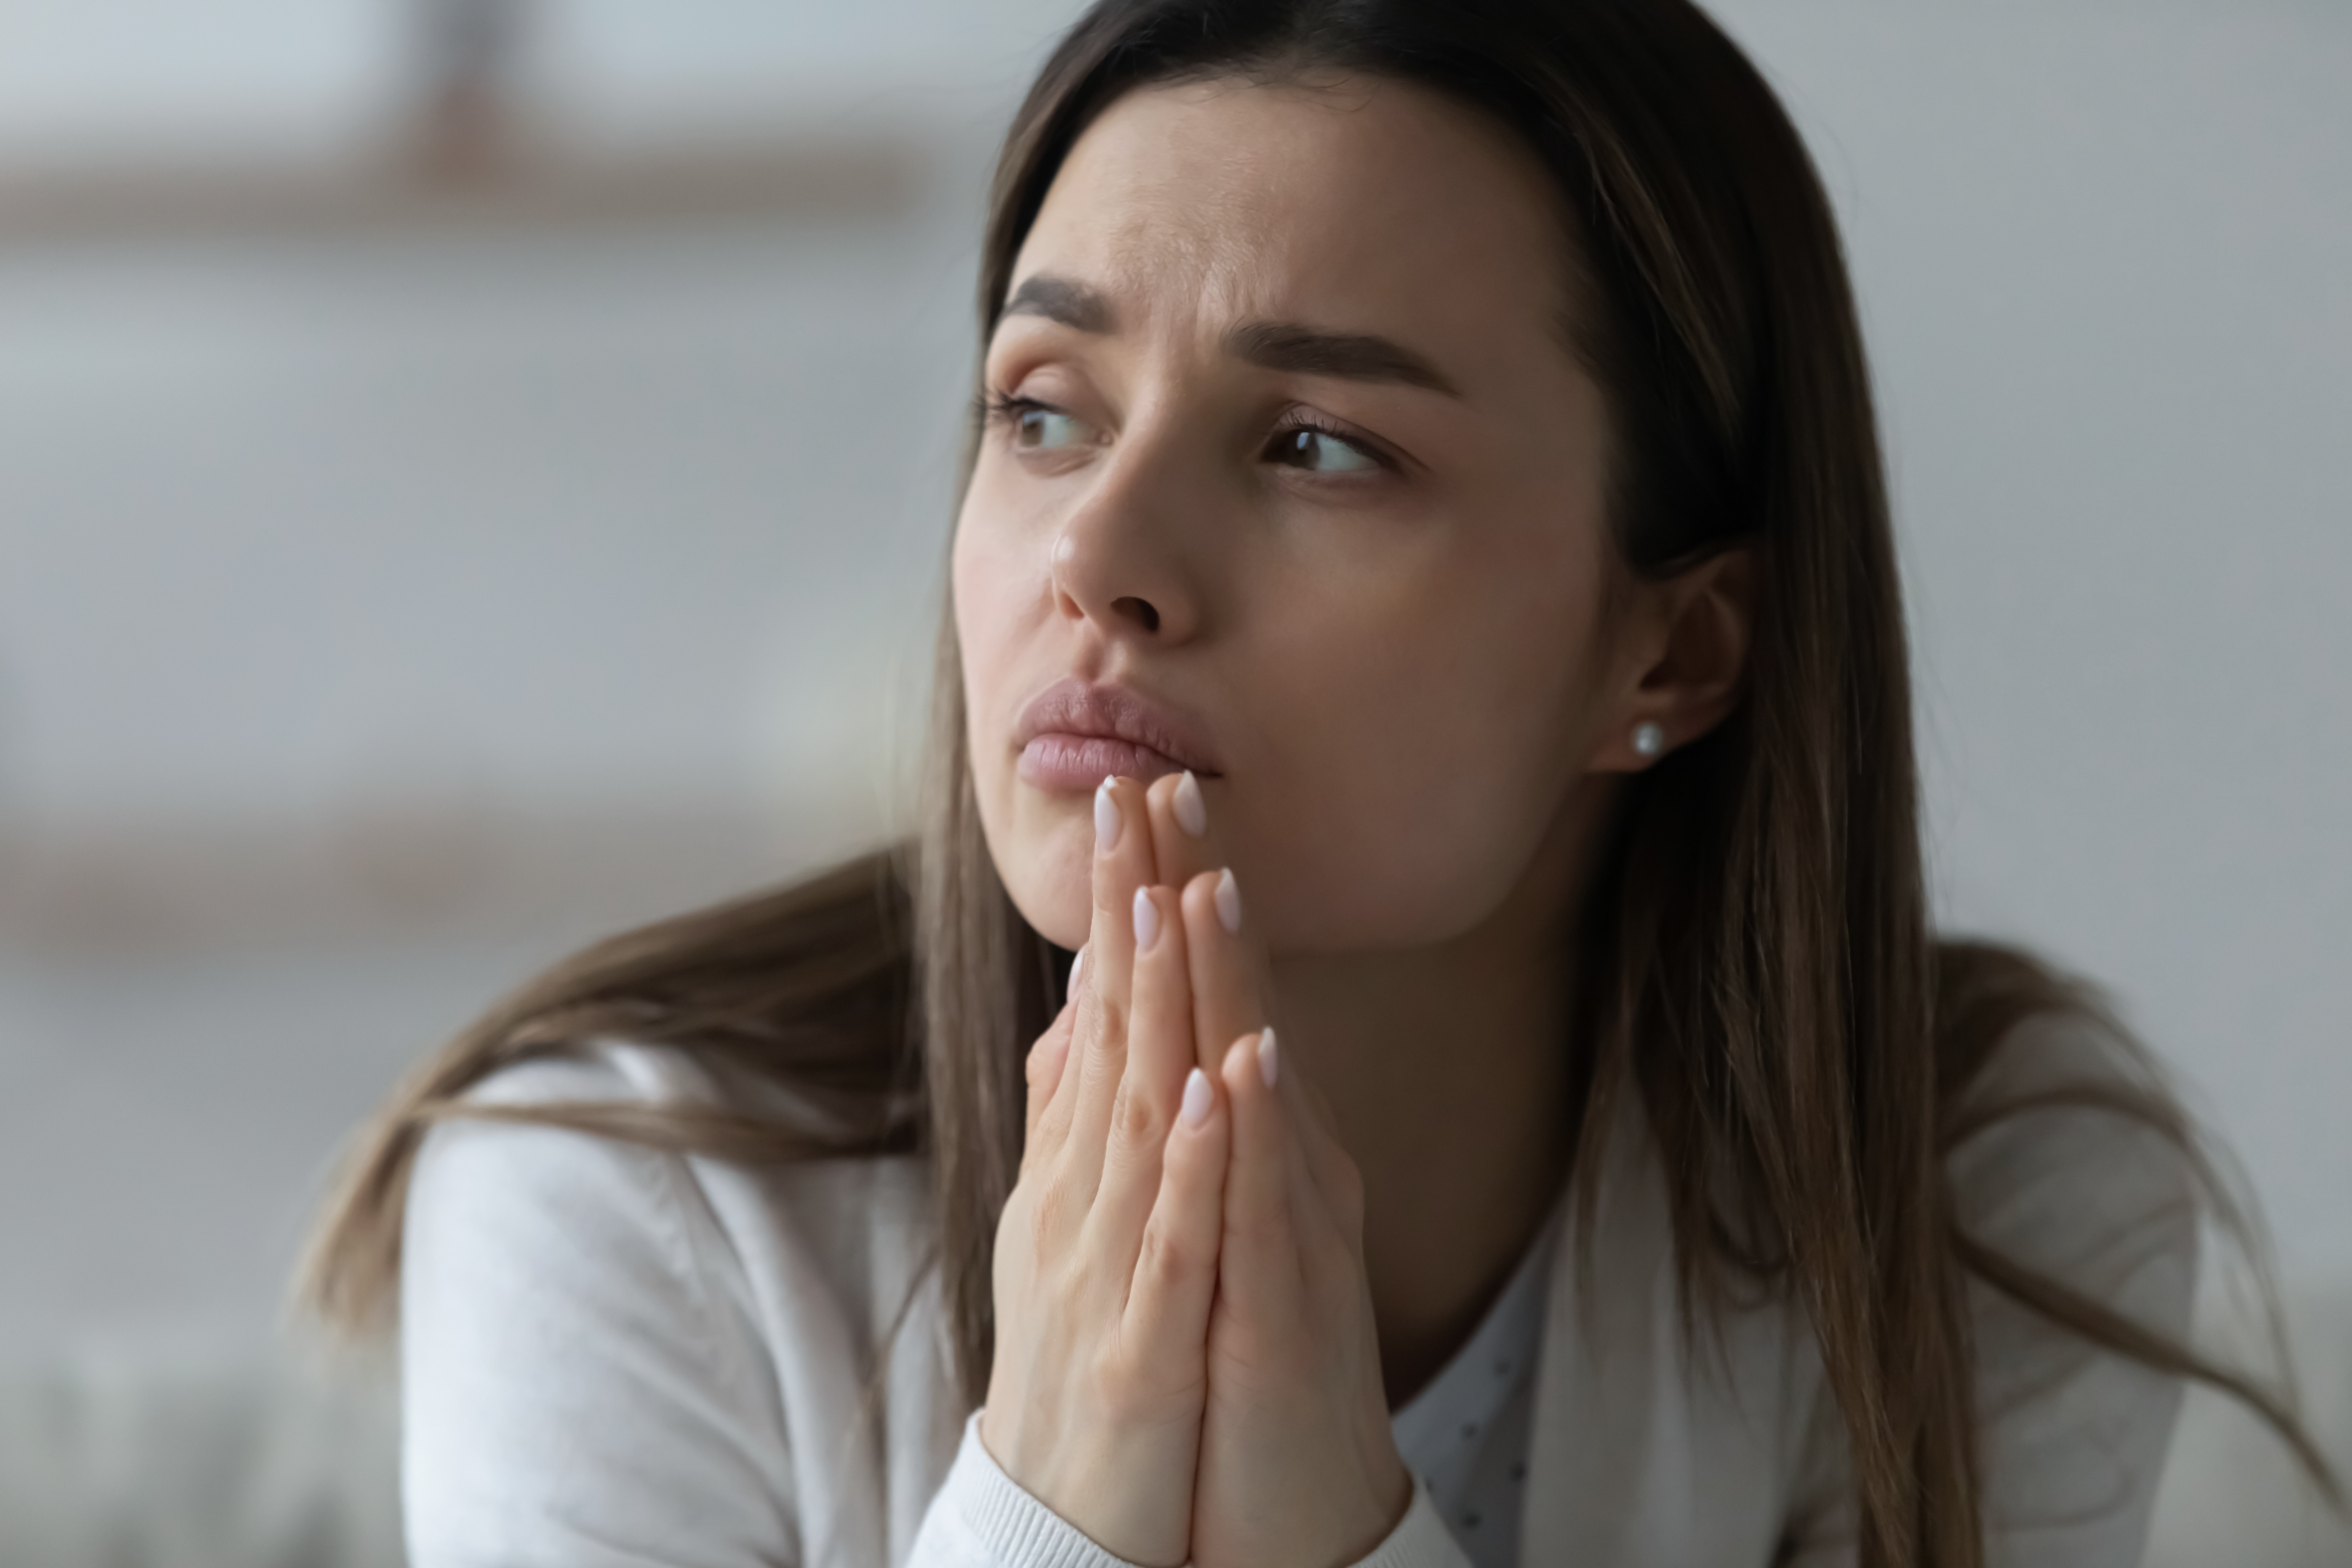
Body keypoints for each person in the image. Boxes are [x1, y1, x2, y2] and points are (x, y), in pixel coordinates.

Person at [299, 2, 2335, 1565]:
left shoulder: (1972, 1182)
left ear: (1673, 648)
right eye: (1040, 410)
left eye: (1316, 449)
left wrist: (1328, 1526)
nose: (1099, 555)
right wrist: (1060, 1487)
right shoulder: (624, 1192)